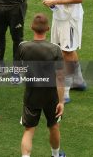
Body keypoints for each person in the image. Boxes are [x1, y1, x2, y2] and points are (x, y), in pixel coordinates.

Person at [37, 0, 86, 103]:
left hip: (70, 16)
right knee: (65, 49)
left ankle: (64, 92)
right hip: (59, 13)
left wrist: (55, 0)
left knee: (66, 51)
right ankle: (78, 80)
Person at [17, 13, 65, 157]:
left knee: (29, 130)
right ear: (48, 28)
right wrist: (61, 101)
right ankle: (56, 155)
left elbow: (18, 70)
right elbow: (60, 78)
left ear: (32, 27)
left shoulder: (23, 47)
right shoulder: (55, 49)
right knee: (54, 126)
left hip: (31, 94)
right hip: (51, 96)